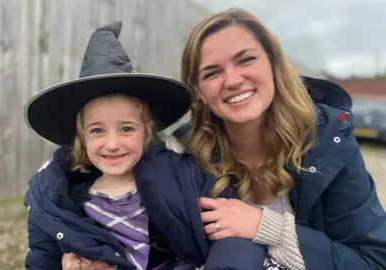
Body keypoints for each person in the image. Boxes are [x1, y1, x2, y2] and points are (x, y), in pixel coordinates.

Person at [23, 21, 267, 270]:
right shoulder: (57, 199)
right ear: (82, 138)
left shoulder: (184, 176)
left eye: (126, 129)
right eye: (97, 130)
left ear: (147, 132)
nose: (112, 144)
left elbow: (233, 237)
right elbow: (42, 257)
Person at [170, 7, 386, 270]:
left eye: (245, 60)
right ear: (199, 91)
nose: (233, 80)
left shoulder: (329, 143)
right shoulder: (182, 154)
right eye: (212, 73)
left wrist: (268, 228)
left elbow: (373, 261)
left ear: (273, 63)